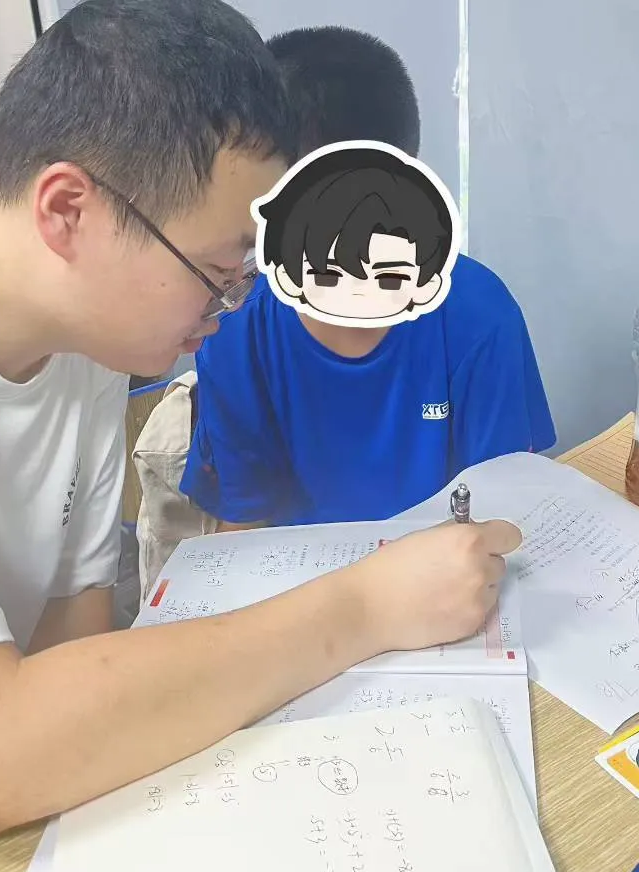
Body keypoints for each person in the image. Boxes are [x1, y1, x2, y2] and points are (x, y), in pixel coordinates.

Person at [0, 0, 518, 826]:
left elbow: (74, 650)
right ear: (68, 212)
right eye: (218, 273)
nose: (228, 309)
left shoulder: (81, 339)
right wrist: (365, 607)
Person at [182, 26, 555, 528]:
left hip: (448, 568)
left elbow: (500, 518)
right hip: (298, 574)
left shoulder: (478, 317)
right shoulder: (236, 327)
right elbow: (244, 530)